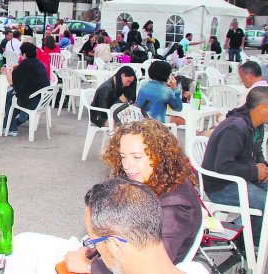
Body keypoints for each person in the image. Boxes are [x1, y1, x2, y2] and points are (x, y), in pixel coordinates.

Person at [65, 177, 207, 274]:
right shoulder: (196, 269)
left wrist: (88, 266)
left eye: (94, 242)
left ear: (115, 246)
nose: (95, 248)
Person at [202, 87, 268, 246]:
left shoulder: (256, 125)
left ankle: (242, 232)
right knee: (266, 203)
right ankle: (251, 245)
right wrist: (255, 171)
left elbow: (257, 152)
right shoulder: (235, 127)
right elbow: (223, 166)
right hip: (221, 186)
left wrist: (263, 167)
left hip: (242, 179)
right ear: (262, 109)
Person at [3, 42, 50, 137]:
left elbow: (12, 82)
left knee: (9, 97)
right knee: (15, 97)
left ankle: (11, 128)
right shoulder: (40, 64)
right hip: (43, 101)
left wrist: (8, 71)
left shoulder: (24, 65)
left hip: (32, 102)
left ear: (24, 54)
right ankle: (15, 121)